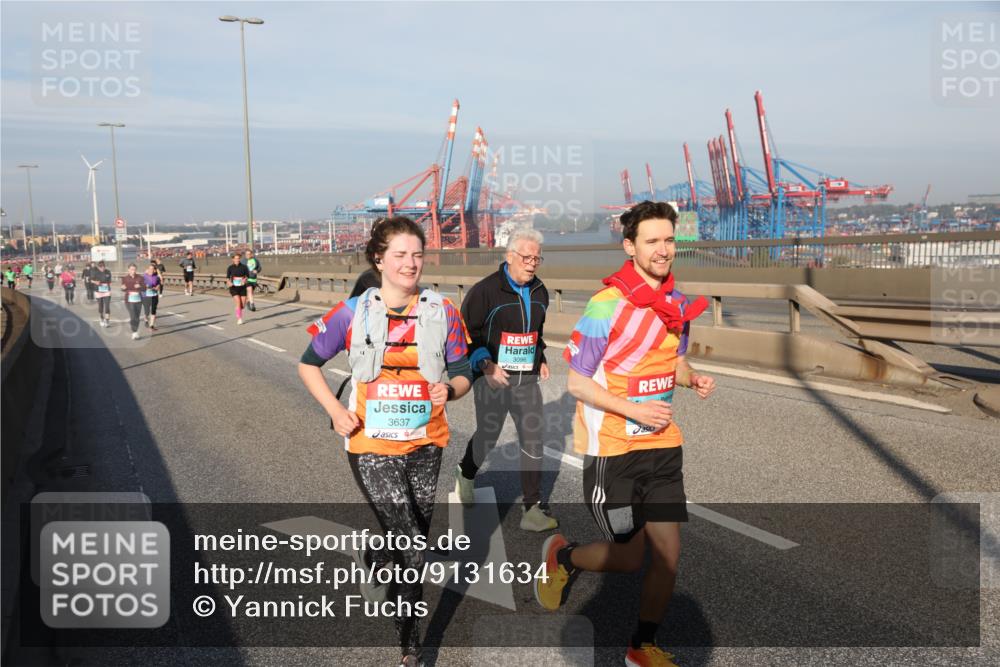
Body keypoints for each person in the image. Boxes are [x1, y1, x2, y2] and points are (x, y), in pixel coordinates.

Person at [534, 201, 715, 667]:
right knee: (631, 557)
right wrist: (634, 408)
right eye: (652, 241)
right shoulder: (605, 307)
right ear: (630, 246)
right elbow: (577, 381)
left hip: (661, 446)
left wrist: (691, 377)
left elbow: (672, 359)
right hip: (612, 450)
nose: (663, 250)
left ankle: (641, 646)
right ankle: (564, 557)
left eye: (669, 240)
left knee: (668, 553)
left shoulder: (677, 304)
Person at [297, 216, 472, 667]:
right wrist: (336, 411)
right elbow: (308, 363)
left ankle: (377, 551)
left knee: (411, 537)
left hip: (426, 442)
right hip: (369, 444)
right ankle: (410, 647)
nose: (410, 263)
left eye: (417, 254)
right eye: (399, 255)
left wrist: (450, 389)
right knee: (413, 546)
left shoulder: (443, 310)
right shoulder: (353, 311)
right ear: (379, 258)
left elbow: (464, 370)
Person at [454, 227, 558, 532]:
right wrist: (486, 365)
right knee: (489, 435)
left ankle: (532, 507)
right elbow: (465, 335)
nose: (531, 263)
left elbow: (535, 332)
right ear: (509, 256)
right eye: (526, 257)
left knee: (533, 436)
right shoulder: (485, 291)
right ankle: (466, 472)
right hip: (492, 378)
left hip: (526, 379)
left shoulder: (540, 291)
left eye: (537, 258)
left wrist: (541, 357)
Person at [121, 263, 145, 340]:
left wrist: (140, 286)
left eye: (134, 269)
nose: (133, 271)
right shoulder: (125, 278)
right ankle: (134, 332)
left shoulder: (140, 278)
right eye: (131, 269)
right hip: (129, 300)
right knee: (133, 315)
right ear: (128, 270)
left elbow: (144, 288)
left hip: (138, 299)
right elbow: (123, 288)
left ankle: (135, 330)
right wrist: (122, 288)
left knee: (137, 317)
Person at [226, 252, 250, 324]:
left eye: (238, 258)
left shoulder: (244, 267)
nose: (237, 260)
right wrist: (229, 282)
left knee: (242, 305)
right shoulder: (230, 268)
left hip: (242, 287)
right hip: (234, 288)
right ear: (233, 259)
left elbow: (247, 276)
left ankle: (238, 309)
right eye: (235, 258)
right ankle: (239, 319)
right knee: (238, 302)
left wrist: (244, 280)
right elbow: (227, 278)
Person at [92, 260, 113, 327]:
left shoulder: (108, 272)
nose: (102, 268)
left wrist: (107, 284)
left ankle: (107, 321)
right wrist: (96, 282)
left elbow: (110, 281)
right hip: (98, 291)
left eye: (103, 266)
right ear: (98, 267)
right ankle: (101, 318)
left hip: (106, 291)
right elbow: (91, 280)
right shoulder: (95, 272)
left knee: (107, 306)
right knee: (100, 306)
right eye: (101, 267)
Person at [142, 263, 161, 330]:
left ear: (154, 270)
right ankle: (146, 319)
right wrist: (145, 286)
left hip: (154, 295)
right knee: (147, 311)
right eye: (149, 269)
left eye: (152, 269)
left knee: (153, 310)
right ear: (147, 269)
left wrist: (156, 288)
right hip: (146, 296)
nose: (150, 270)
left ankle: (151, 325)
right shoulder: (144, 276)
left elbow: (158, 284)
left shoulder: (157, 277)